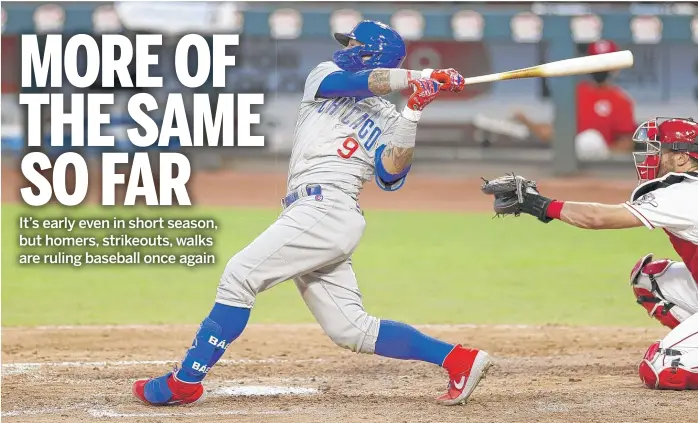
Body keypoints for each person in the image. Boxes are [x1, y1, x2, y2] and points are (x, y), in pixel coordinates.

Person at [132, 20, 492, 406]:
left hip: (330, 208)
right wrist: (419, 76)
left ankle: (184, 382)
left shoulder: (390, 117)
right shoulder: (327, 76)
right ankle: (459, 360)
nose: (346, 46)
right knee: (351, 329)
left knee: (239, 276)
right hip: (314, 212)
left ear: (370, 50)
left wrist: (414, 112)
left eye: (354, 42)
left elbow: (391, 173)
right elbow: (360, 84)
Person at [481, 117, 698, 390]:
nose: (650, 156)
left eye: (659, 150)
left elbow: (597, 217)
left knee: (662, 369)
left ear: (681, 158)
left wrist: (540, 205)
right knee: (650, 281)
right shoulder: (685, 189)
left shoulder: (684, 193)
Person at [513, 40, 637, 160]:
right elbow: (554, 134)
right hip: (573, 165)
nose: (601, 68)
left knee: (592, 141)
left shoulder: (621, 101)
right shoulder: (574, 94)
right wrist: (526, 121)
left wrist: (603, 154)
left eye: (605, 63)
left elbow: (626, 143)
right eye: (596, 62)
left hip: (605, 169)